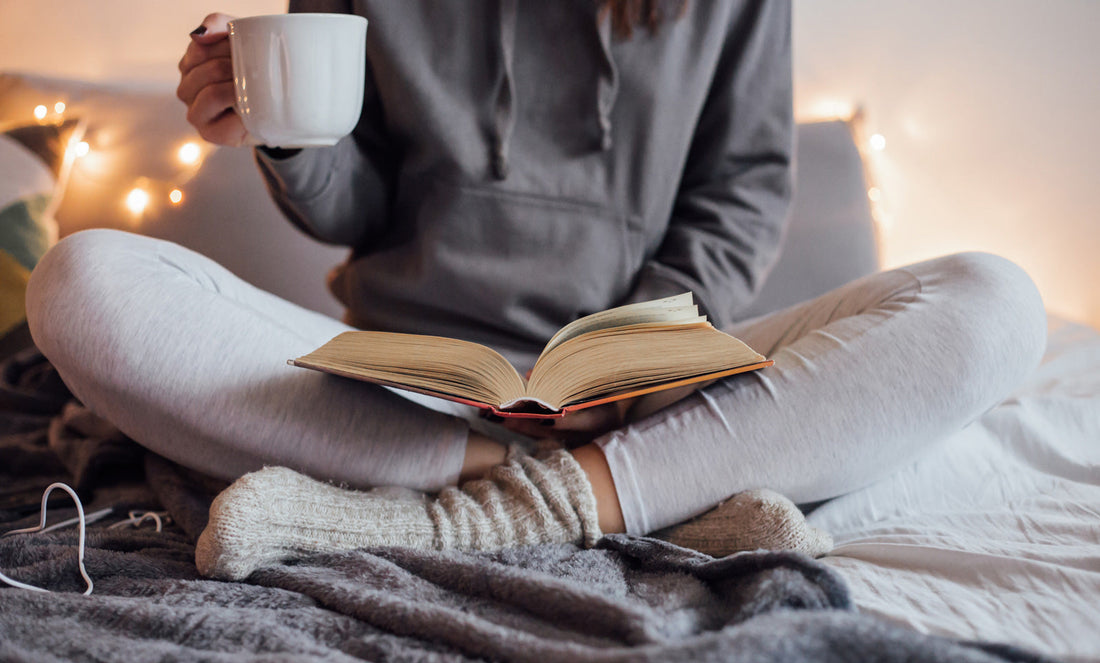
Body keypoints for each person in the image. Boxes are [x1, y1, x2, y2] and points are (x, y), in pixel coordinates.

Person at [25, 1, 1047, 581]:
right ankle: (645, 496)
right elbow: (355, 208)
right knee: (82, 280)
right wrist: (287, 136)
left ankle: (467, 504)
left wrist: (637, 364)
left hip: (650, 379)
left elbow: (741, 191)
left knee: (990, 297)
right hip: (399, 384)